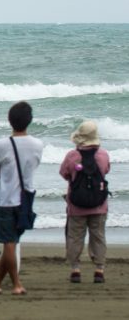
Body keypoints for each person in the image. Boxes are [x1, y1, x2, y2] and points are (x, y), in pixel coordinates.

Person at [0, 101, 43, 295]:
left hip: (5, 199)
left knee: (9, 244)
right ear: (29, 121)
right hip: (26, 199)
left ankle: (15, 284)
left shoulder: (2, 145)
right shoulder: (38, 144)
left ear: (10, 121)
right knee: (11, 243)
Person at [59, 120, 110, 284]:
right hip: (99, 204)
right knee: (98, 237)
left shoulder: (72, 156)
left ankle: (75, 269)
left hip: (76, 205)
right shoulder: (103, 155)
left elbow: (64, 173)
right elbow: (106, 170)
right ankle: (99, 269)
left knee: (75, 237)